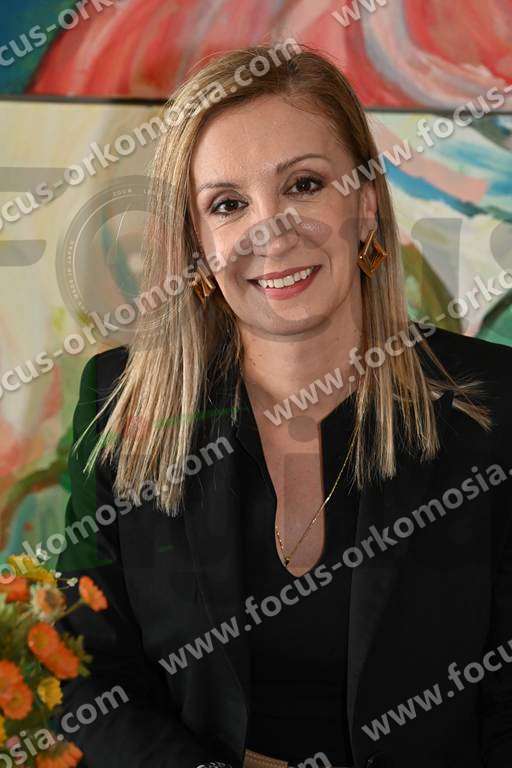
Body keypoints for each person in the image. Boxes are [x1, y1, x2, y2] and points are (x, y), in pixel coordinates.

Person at [56, 44, 512, 768]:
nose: (271, 230)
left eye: (304, 184)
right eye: (228, 204)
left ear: (365, 204)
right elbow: (83, 675)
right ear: (198, 244)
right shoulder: (122, 404)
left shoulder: (493, 403)